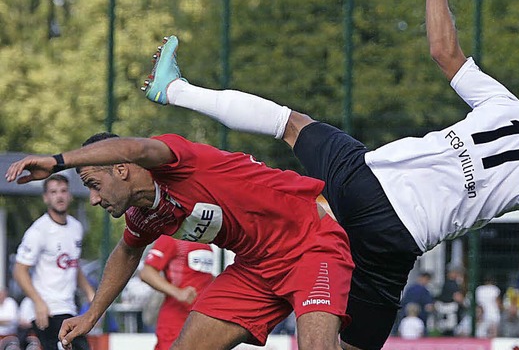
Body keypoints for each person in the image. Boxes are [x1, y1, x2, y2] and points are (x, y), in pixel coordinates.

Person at [134, 0, 519, 350]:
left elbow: (443, 51)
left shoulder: (508, 106)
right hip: (394, 243)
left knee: (291, 123)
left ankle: (175, 89)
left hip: (365, 179)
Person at [5, 133, 354, 350]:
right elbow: (127, 251)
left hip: (309, 243)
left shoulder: (173, 161)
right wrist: (91, 314)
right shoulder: (143, 215)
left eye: (94, 184)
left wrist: (57, 162)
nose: (94, 199)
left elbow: (134, 146)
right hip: (255, 269)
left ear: (121, 169)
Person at [12, 175, 94, 350]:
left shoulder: (76, 227)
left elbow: (73, 264)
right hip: (47, 310)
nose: (59, 196)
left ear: (70, 195)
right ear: (45, 197)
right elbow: (19, 271)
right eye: (53, 192)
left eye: (63, 191)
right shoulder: (38, 231)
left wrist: (89, 292)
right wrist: (38, 302)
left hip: (69, 308)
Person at [139, 235, 216, 350]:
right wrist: (178, 292)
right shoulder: (171, 238)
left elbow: (201, 275)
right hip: (175, 321)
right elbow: (146, 273)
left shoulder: (204, 239)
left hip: (201, 320)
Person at [397, 272, 433, 336]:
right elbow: (429, 306)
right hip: (421, 316)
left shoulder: (410, 289)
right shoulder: (424, 291)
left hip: (405, 315)